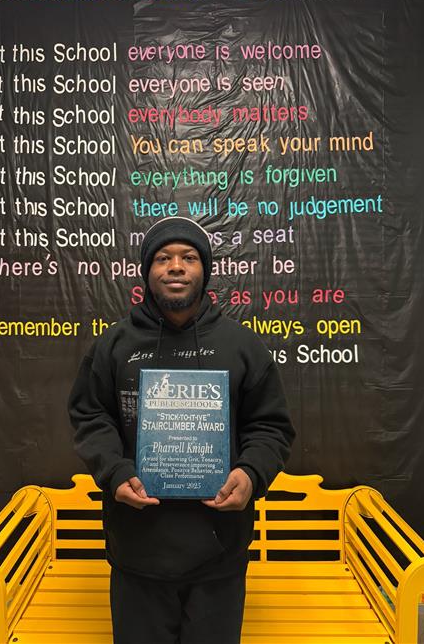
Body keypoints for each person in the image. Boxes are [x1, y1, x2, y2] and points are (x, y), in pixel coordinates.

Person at [69, 216, 295, 644]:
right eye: (163, 258)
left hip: (220, 556)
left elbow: (270, 427)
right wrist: (115, 472)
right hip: (137, 552)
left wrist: (250, 473)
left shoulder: (241, 346)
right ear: (147, 271)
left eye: (188, 257)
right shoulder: (115, 346)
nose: (176, 267)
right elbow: (91, 417)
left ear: (204, 271)